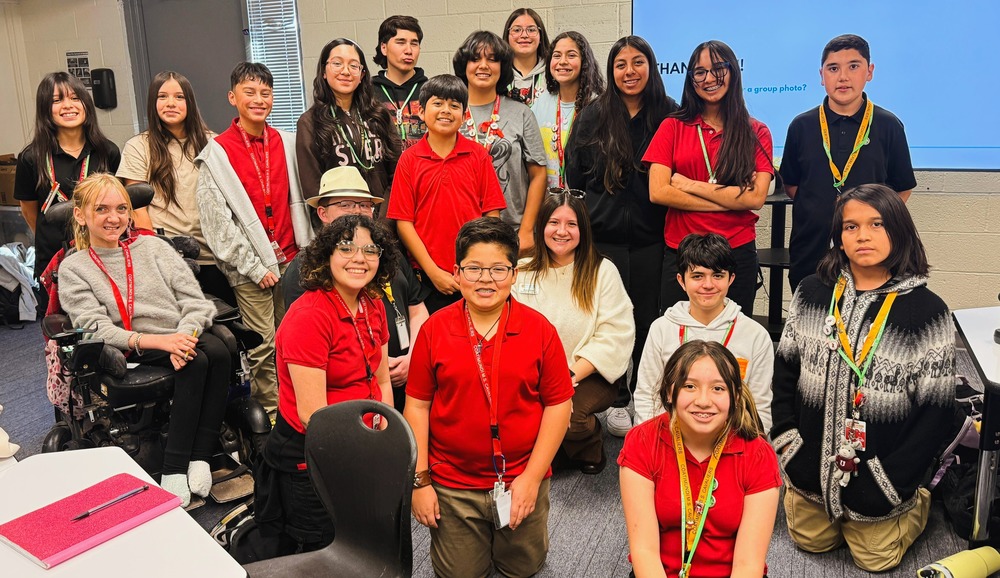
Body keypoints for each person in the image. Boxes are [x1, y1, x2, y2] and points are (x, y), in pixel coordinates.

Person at [771, 184, 956, 572]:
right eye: (850, 226)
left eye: (877, 224)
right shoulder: (811, 292)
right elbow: (785, 371)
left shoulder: (928, 311)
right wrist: (789, 445)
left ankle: (919, 501)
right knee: (810, 542)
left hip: (881, 474)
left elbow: (935, 414)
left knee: (875, 560)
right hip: (810, 467)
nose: (863, 236)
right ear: (838, 236)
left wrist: (893, 480)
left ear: (900, 230)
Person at [405, 217, 574, 578]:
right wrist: (420, 482)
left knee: (522, 570)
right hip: (452, 481)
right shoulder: (434, 329)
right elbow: (417, 406)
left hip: (520, 477)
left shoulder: (539, 329)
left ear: (514, 274)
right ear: (456, 272)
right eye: (474, 268)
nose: (486, 279)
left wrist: (531, 478)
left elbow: (559, 405)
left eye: (498, 269)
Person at [59, 173, 228, 508]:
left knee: (221, 352)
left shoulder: (152, 247)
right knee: (202, 359)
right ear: (81, 215)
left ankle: (201, 457)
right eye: (102, 209)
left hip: (178, 333)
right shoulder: (74, 268)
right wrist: (163, 343)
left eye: (121, 208)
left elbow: (197, 302)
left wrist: (186, 335)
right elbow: (95, 329)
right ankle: (175, 468)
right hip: (128, 346)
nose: (114, 217)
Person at [256, 214, 397, 555]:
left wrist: (386, 440)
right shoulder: (310, 316)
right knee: (324, 550)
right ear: (326, 256)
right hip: (314, 454)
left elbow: (380, 379)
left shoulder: (372, 303)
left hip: (362, 445)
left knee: (365, 542)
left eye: (370, 249)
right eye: (346, 248)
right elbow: (313, 416)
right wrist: (367, 455)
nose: (359, 258)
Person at [565, 35, 679, 437]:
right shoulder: (593, 115)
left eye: (638, 62)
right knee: (607, 323)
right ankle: (616, 397)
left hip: (654, 239)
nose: (629, 72)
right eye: (620, 64)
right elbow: (574, 176)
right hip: (604, 240)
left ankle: (642, 396)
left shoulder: (672, 115)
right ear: (611, 71)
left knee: (649, 321)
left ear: (651, 66)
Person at [196, 62, 314, 416]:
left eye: (266, 93)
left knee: (295, 340)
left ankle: (299, 409)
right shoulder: (217, 153)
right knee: (264, 345)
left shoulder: (287, 143)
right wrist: (254, 265)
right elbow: (217, 225)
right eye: (250, 92)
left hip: (292, 260)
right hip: (251, 269)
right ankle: (273, 417)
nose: (259, 99)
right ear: (233, 97)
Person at [619, 340, 780, 578]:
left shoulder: (757, 455)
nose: (703, 401)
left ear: (735, 397)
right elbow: (644, 551)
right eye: (690, 386)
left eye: (718, 389)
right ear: (670, 392)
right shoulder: (642, 442)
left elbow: (748, 565)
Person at [284, 166, 430, 412]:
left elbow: (416, 308)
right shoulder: (304, 272)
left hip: (393, 390)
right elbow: (312, 408)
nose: (357, 211)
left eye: (364, 205)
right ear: (322, 213)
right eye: (346, 204)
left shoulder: (385, 256)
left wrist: (412, 359)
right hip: (340, 410)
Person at [645, 40, 774, 317]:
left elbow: (756, 198)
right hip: (682, 251)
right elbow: (658, 192)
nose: (709, 78)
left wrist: (688, 185)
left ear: (733, 72)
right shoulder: (672, 126)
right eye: (699, 72)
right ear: (691, 80)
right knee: (678, 344)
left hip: (735, 251)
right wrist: (730, 199)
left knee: (732, 343)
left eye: (718, 68)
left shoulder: (756, 132)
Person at [781, 34, 916, 292]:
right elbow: (792, 186)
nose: (843, 77)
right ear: (822, 75)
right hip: (811, 251)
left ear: (870, 72)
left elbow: (902, 188)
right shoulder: (801, 126)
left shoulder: (889, 125)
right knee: (810, 321)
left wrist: (872, 220)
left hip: (869, 254)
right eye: (833, 68)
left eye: (853, 66)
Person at [512, 191, 634, 474]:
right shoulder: (522, 271)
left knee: (570, 418)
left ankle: (588, 446)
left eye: (572, 224)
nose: (562, 231)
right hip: (533, 372)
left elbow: (615, 334)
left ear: (583, 230)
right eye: (554, 222)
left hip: (586, 374)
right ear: (542, 225)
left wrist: (568, 376)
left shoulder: (602, 271)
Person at [388, 74, 507, 313]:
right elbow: (404, 224)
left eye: (454, 105)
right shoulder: (409, 160)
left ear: (464, 116)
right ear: (421, 111)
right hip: (428, 278)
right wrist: (434, 272)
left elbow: (491, 215)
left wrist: (477, 267)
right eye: (438, 103)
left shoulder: (478, 156)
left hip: (475, 274)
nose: (446, 110)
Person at [116, 70, 236, 307]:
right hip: (170, 258)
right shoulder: (138, 146)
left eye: (179, 97)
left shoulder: (214, 143)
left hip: (215, 257)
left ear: (189, 102)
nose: (171, 103)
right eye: (162, 96)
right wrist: (156, 258)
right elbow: (138, 209)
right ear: (153, 102)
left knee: (226, 331)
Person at [633, 233, 774, 432]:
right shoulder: (662, 329)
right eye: (697, 276)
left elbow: (759, 408)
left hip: (731, 442)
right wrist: (652, 444)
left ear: (731, 279)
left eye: (717, 275)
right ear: (681, 281)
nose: (708, 285)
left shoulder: (755, 336)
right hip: (672, 441)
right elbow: (647, 397)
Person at [14, 72, 121, 312]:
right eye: (57, 100)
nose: (68, 106)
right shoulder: (31, 158)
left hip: (103, 256)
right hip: (54, 260)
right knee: (62, 334)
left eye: (75, 98)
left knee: (108, 327)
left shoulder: (108, 152)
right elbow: (29, 212)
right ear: (45, 109)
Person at [453, 31, 547, 256]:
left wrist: (526, 230)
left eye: (492, 59)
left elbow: (538, 174)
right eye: (475, 59)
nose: (483, 65)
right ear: (464, 65)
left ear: (502, 67)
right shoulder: (451, 111)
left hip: (512, 232)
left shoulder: (520, 113)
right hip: (460, 233)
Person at [297, 38, 401, 216]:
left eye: (354, 66)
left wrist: (384, 224)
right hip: (338, 226)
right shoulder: (310, 122)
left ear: (361, 75)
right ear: (323, 71)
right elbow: (313, 188)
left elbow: (397, 175)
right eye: (337, 63)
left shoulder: (380, 115)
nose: (345, 71)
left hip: (384, 221)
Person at [532, 31, 604, 189]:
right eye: (556, 55)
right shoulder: (540, 103)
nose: (562, 62)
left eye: (571, 55)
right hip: (547, 204)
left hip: (584, 203)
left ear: (584, 61)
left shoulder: (598, 106)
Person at [372, 15, 428, 150]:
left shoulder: (431, 90)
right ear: (384, 48)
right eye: (401, 42)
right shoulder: (367, 91)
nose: (409, 51)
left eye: (414, 43)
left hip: (422, 169)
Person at [502, 8, 550, 107]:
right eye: (517, 30)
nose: (524, 35)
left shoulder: (552, 72)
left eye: (531, 30)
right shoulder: (498, 73)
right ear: (507, 36)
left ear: (541, 36)